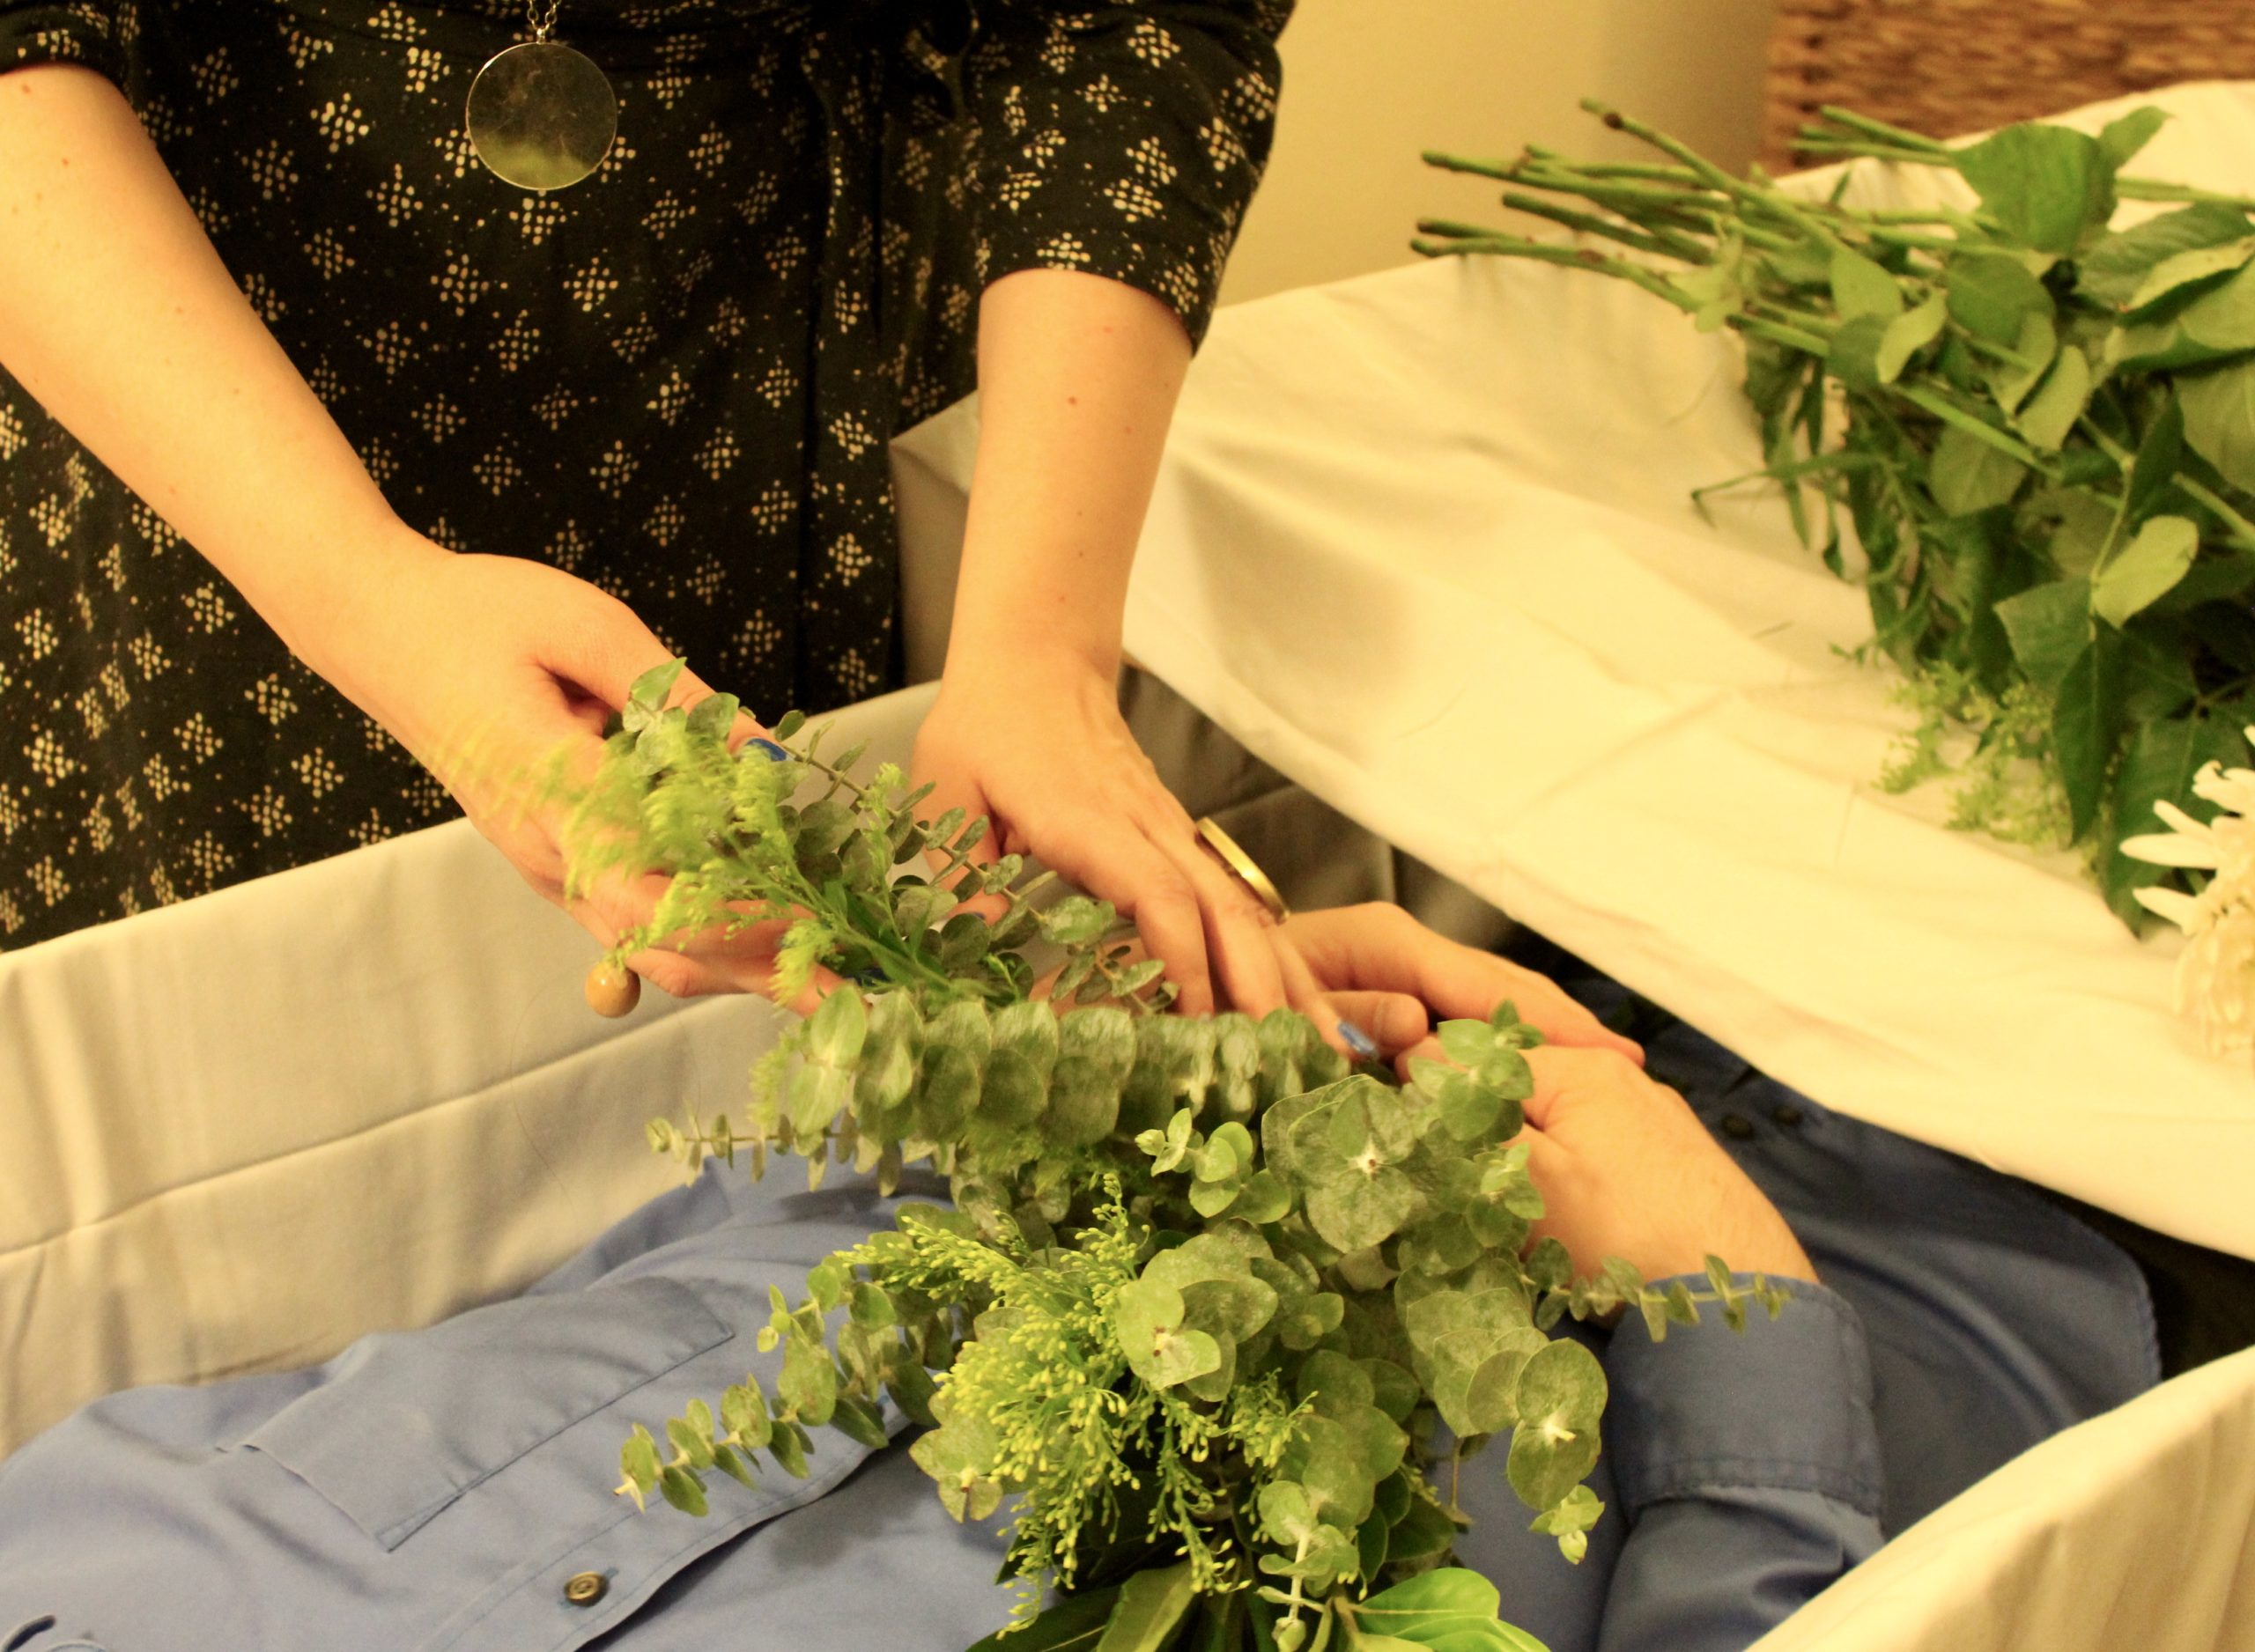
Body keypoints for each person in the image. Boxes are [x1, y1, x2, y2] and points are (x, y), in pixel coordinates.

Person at [0, 902, 2159, 1652]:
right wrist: (1721, 1310)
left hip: (1513, 952)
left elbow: (681, 1285)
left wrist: (1091, 1052)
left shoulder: (78, 1545)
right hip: (1982, 1261)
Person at [0, 2, 1322, 1032]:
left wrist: (1039, 649)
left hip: (775, 374)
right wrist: (355, 587)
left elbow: (1122, 26)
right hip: (186, 386)